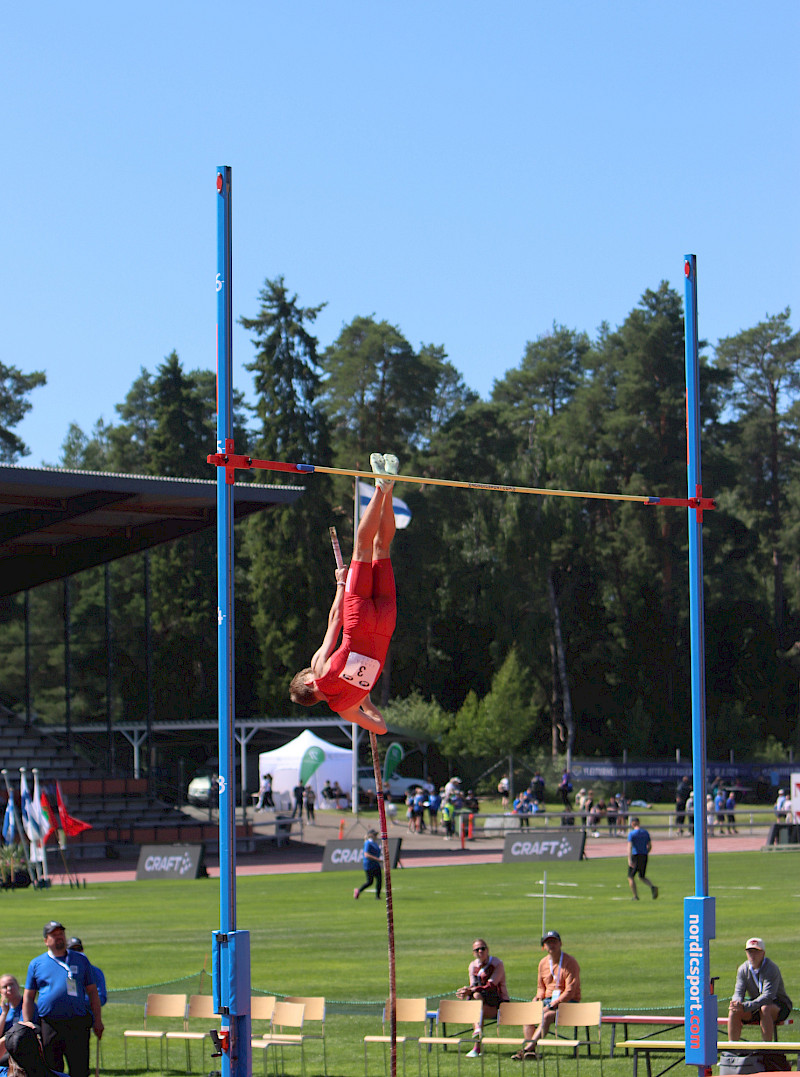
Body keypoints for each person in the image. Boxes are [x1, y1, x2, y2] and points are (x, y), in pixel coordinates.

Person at [289, 453, 400, 734]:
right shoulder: (320, 669)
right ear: (311, 683)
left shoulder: (346, 709)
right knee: (364, 548)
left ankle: (387, 488)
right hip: (357, 619)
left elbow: (381, 727)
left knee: (381, 550)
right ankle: (380, 487)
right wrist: (340, 584)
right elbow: (335, 620)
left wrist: (366, 700)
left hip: (385, 625)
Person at [22, 921, 103, 1077]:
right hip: (50, 1024)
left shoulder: (80, 960)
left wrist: (98, 1020)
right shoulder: (37, 963)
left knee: (79, 1069)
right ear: (46, 940)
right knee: (52, 1069)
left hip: (77, 1022)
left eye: (61, 934)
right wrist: (27, 1023)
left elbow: (92, 992)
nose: (59, 938)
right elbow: (28, 996)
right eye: (54, 935)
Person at [512, 930, 581, 1061]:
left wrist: (552, 1004)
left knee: (547, 1015)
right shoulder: (543, 963)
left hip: (568, 1003)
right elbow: (540, 987)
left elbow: (570, 991)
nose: (551, 945)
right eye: (548, 943)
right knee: (529, 1013)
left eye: (554, 942)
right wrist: (537, 998)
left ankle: (527, 1049)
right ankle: (531, 1052)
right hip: (548, 1000)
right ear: (544, 946)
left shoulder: (570, 962)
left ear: (560, 943)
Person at [728, 937, 792, 1042]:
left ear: (763, 953)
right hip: (756, 1004)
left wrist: (747, 1006)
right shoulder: (743, 969)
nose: (752, 955)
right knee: (734, 1010)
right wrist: (737, 1003)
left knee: (765, 1008)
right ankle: (732, 1049)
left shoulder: (771, 968)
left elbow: (768, 996)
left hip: (778, 1004)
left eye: (756, 952)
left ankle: (766, 1049)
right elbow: (738, 991)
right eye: (750, 952)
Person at [456, 939, 509, 1059]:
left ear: (488, 950)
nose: (480, 951)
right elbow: (473, 986)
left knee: (475, 1004)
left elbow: (491, 985)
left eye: (483, 948)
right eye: (477, 950)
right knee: (475, 1000)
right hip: (481, 1002)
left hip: (499, 1002)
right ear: (473, 953)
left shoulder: (497, 963)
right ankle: (478, 1033)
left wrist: (471, 990)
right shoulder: (472, 965)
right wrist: (466, 991)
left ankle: (477, 1045)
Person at [0, 975, 39, 1066]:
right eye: (4, 987)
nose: (9, 988)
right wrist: (4, 1014)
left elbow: (22, 1030)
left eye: (11, 985)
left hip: (21, 1047)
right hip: (6, 1047)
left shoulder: (27, 1006)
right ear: (0, 991)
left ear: (18, 986)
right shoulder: (2, 1009)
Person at [64, 942, 106, 1009]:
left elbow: (101, 998)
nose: (76, 952)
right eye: (73, 950)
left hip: (89, 1014)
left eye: (78, 949)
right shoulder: (65, 972)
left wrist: (81, 1000)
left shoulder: (95, 971)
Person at [627, 817, 658, 900]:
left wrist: (629, 859)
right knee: (642, 876)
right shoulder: (645, 833)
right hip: (644, 855)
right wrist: (646, 852)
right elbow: (650, 846)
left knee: (630, 876)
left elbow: (629, 847)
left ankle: (635, 896)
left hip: (635, 855)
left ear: (633, 823)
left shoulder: (632, 834)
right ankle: (652, 886)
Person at [353, 828, 382, 900]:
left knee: (379, 880)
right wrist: (377, 859)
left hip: (375, 864)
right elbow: (366, 854)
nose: (376, 836)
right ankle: (358, 891)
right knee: (370, 882)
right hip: (369, 865)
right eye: (374, 834)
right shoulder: (368, 843)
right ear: (370, 835)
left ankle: (377, 896)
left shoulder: (375, 843)